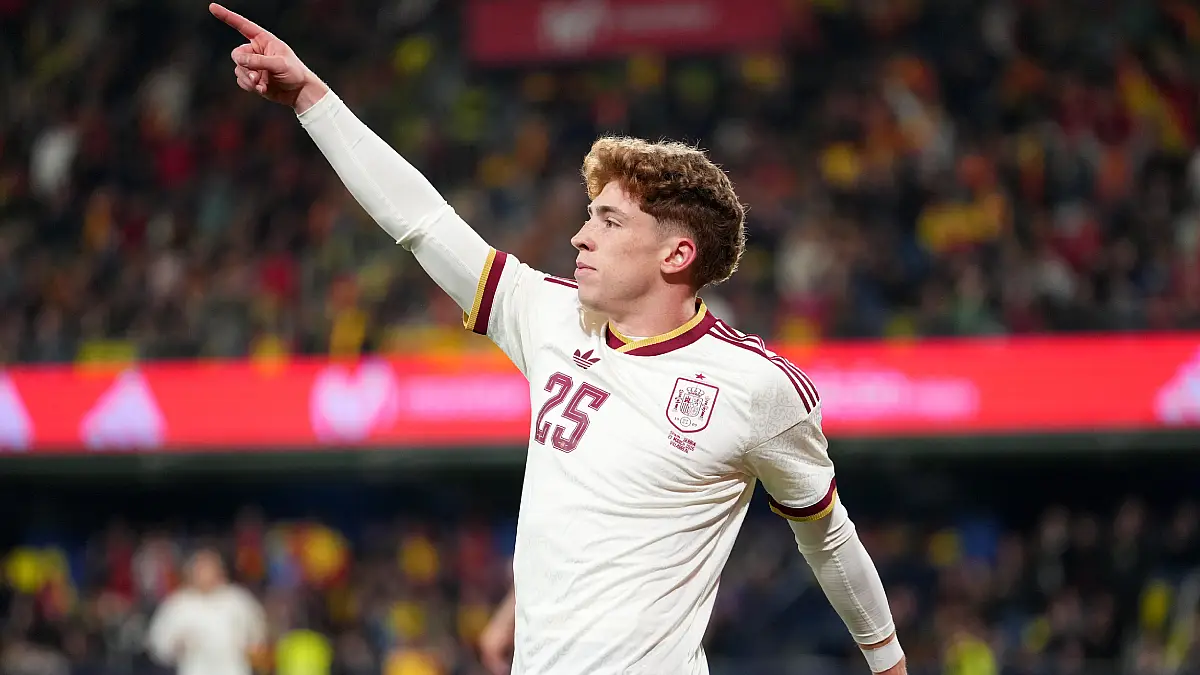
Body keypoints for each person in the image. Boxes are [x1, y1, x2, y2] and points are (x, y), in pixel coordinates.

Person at [209, 4, 906, 673]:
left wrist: (889, 661)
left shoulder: (756, 388)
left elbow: (827, 534)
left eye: (608, 221)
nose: (580, 235)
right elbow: (423, 221)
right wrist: (312, 100)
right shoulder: (548, 316)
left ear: (676, 255)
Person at [145, 548, 266, 675]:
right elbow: (158, 643)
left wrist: (252, 647)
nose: (205, 574)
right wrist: (176, 646)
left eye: (210, 568)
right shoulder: (177, 604)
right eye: (201, 569)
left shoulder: (238, 600)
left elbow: (257, 633)